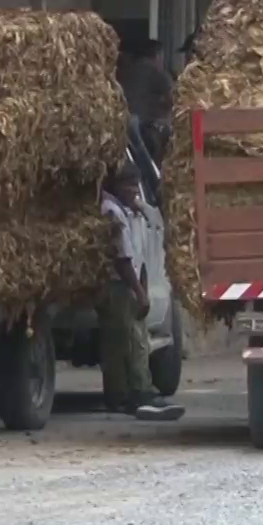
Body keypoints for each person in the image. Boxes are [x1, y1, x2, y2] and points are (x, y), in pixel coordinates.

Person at [99, 163, 185, 421]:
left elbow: (143, 248)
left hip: (133, 282)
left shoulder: (132, 212)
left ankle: (127, 394)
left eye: (136, 186)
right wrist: (139, 291)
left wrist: (143, 285)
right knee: (128, 341)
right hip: (120, 284)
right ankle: (136, 392)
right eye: (129, 186)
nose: (134, 191)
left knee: (130, 339)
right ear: (116, 186)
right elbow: (122, 258)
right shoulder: (112, 212)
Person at [118, 39, 173, 161]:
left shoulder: (126, 71)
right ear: (158, 55)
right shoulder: (156, 72)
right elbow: (174, 99)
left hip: (122, 125)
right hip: (144, 128)